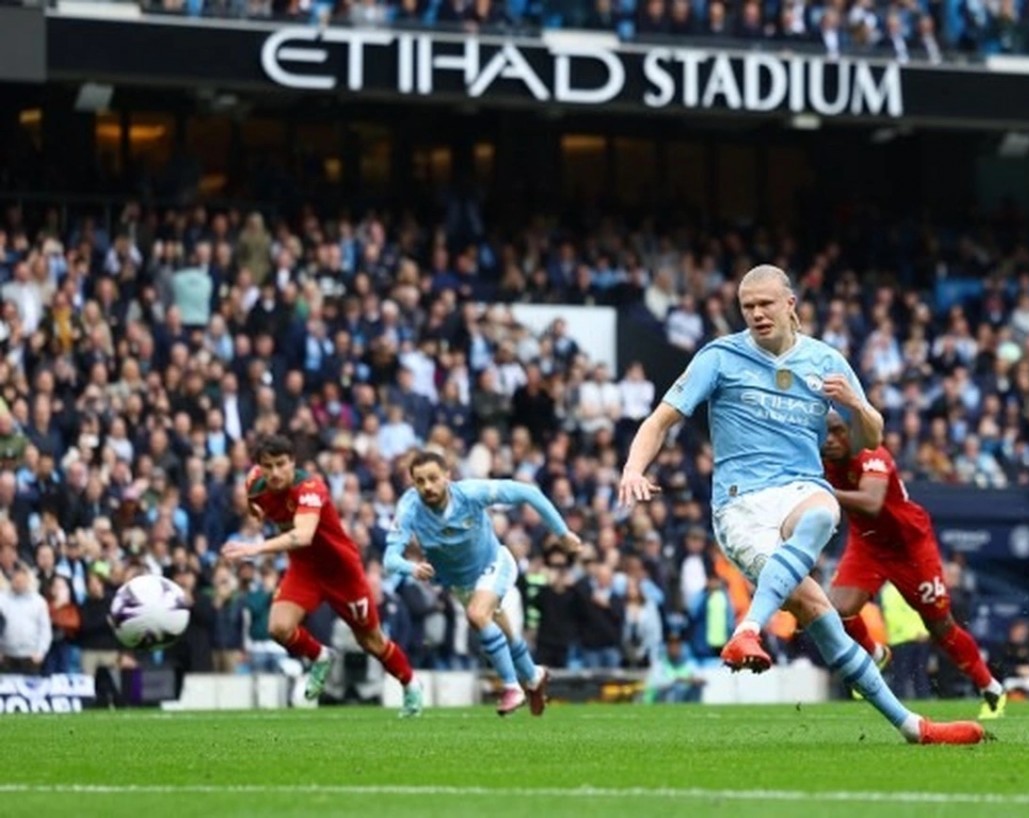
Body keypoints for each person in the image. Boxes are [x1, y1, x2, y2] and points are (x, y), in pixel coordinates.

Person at [619, 264, 982, 745]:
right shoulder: (719, 357)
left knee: (823, 509)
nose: (756, 314)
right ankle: (910, 725)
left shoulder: (826, 360)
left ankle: (752, 631)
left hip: (800, 489)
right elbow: (661, 420)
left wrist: (856, 404)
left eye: (765, 304)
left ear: (790, 304)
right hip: (740, 504)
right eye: (747, 307)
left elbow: (869, 438)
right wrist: (632, 468)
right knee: (822, 615)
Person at [223, 435, 424, 717]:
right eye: (268, 466)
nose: (275, 472)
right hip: (304, 569)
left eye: (281, 464)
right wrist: (255, 512)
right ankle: (320, 656)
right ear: (259, 467)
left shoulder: (310, 488)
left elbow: (303, 535)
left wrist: (256, 548)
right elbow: (254, 503)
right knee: (278, 628)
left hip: (341, 571)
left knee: (371, 641)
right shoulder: (255, 485)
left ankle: (411, 684)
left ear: (293, 462)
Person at [821, 415, 1007, 719]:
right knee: (836, 611)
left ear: (851, 434)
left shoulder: (872, 454)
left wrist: (822, 490)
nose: (829, 439)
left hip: (911, 548)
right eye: (824, 433)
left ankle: (991, 688)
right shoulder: (819, 459)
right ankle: (875, 654)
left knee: (940, 627)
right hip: (868, 545)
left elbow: (871, 502)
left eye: (837, 432)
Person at [383, 450, 582, 717]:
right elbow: (390, 559)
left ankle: (512, 688)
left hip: (495, 562)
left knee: (478, 614)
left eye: (433, 478)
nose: (427, 487)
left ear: (447, 477)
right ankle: (533, 676)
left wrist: (562, 533)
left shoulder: (471, 493)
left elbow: (528, 493)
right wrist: (411, 567)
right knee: (503, 633)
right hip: (462, 583)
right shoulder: (409, 508)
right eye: (420, 481)